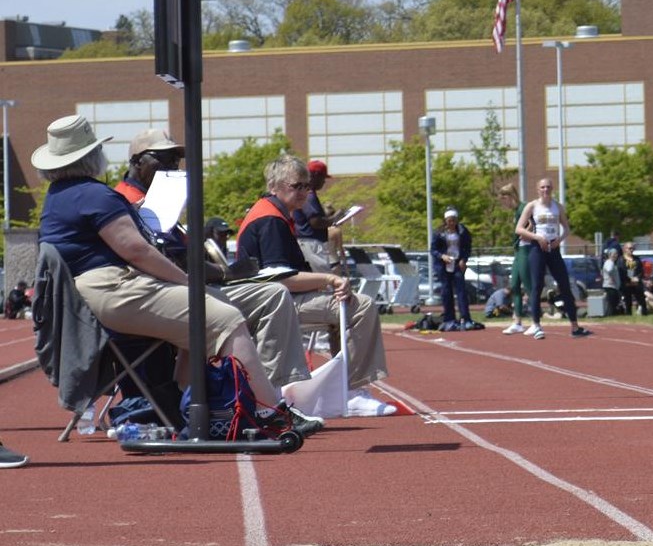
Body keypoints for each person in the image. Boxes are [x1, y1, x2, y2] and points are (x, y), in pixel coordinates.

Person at [31, 115, 302, 422]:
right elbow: (136, 249)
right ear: (94, 156)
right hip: (111, 291)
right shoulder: (94, 194)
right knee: (223, 317)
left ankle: (186, 409)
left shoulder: (58, 197)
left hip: (89, 298)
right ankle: (267, 412)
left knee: (205, 316)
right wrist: (185, 281)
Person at [107, 133, 309, 394]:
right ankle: (271, 394)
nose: (173, 166)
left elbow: (182, 257)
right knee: (274, 295)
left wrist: (226, 272)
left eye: (177, 159)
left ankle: (262, 392)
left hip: (182, 290)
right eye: (164, 158)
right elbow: (171, 260)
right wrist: (228, 273)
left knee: (271, 294)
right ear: (137, 162)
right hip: (164, 296)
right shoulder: (129, 201)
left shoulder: (158, 199)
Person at [236, 153, 395, 416]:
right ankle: (352, 392)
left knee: (344, 304)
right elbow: (281, 279)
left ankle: (342, 389)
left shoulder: (274, 213)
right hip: (271, 304)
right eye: (296, 186)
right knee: (362, 306)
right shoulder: (271, 220)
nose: (304, 192)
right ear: (274, 186)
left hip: (274, 299)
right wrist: (329, 278)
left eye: (306, 186)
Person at [514, 178, 591, 338]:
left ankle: (575, 326)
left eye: (548, 187)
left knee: (564, 285)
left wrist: (559, 240)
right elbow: (519, 229)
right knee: (537, 286)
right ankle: (536, 325)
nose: (545, 190)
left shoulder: (558, 207)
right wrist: (537, 237)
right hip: (537, 248)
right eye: (542, 187)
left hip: (553, 249)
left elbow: (567, 228)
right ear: (537, 189)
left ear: (552, 188)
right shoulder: (532, 206)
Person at [498, 182, 535, 335]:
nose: (503, 204)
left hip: (526, 250)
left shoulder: (523, 208)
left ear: (509, 197)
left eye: (503, 200)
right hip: (518, 251)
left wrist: (523, 235)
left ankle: (535, 321)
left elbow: (532, 224)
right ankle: (517, 321)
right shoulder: (515, 211)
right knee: (514, 285)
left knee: (528, 286)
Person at [432, 208, 472, 330]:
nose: (452, 223)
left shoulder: (462, 231)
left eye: (454, 221)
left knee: (461, 291)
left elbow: (467, 247)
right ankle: (449, 318)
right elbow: (433, 250)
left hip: (457, 263)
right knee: (446, 292)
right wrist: (442, 256)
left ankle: (465, 318)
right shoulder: (439, 233)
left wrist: (463, 259)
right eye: (449, 221)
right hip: (444, 265)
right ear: (445, 221)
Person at [292, 159, 335, 273]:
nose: (324, 182)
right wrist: (336, 218)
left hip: (307, 242)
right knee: (324, 281)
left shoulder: (303, 192)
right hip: (311, 243)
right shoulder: (308, 194)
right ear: (315, 176)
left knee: (316, 283)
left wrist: (327, 215)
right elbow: (315, 222)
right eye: (323, 177)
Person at [620, 244, 649, 316]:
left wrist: (637, 278)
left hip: (636, 283)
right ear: (625, 249)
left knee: (642, 300)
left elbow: (641, 271)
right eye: (629, 248)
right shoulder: (621, 259)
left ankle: (644, 313)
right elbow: (621, 271)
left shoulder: (637, 259)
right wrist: (629, 280)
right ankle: (628, 314)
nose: (631, 250)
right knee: (628, 300)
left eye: (633, 248)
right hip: (626, 283)